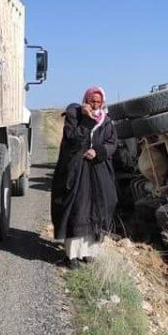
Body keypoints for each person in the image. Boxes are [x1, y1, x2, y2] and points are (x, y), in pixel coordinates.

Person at [50, 87, 118, 269]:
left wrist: (98, 151)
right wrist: (86, 120)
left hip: (98, 169)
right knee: (78, 209)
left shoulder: (107, 121)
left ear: (102, 102)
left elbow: (112, 143)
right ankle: (71, 255)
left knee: (99, 207)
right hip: (77, 169)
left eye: (98, 101)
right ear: (86, 100)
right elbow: (71, 138)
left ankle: (88, 252)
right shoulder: (74, 115)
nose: (95, 104)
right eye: (92, 100)